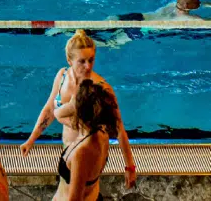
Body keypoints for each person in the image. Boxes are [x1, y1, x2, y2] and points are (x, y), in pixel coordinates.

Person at [21, 30, 136, 190]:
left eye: (91, 60)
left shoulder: (101, 89)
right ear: (69, 60)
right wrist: (31, 140)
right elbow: (49, 108)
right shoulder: (62, 77)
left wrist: (130, 167)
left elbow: (119, 129)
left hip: (90, 151)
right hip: (68, 148)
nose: (88, 66)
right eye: (82, 61)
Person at [52, 79, 118, 201]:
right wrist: (73, 105)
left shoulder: (81, 153)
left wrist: (72, 105)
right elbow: (58, 114)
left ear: (79, 110)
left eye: (74, 99)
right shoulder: (100, 134)